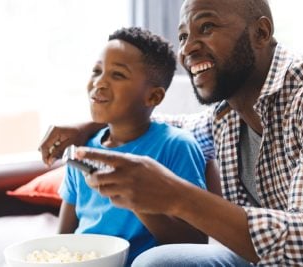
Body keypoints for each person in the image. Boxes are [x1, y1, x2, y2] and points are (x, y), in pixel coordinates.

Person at [39, 0, 303, 265]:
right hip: (266, 260)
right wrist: (90, 125)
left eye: (206, 27)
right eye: (183, 35)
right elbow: (161, 125)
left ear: (261, 32)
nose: (188, 48)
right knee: (158, 263)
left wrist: (176, 197)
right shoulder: (227, 115)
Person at [53, 27, 217, 265]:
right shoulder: (82, 149)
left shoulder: (176, 146)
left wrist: (136, 200)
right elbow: (63, 239)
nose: (99, 82)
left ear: (153, 97)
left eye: (117, 75)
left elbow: (195, 243)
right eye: (97, 71)